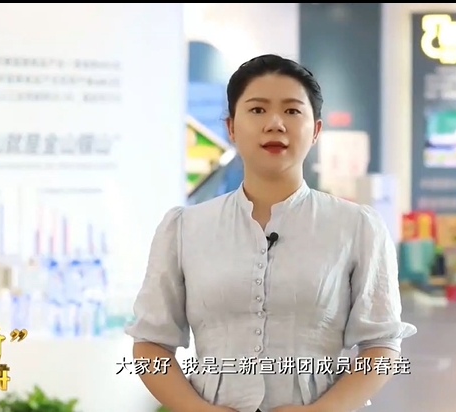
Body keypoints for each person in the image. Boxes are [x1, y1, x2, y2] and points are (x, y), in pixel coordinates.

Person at [126, 54, 417, 412]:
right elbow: (150, 344)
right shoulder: (185, 228)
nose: (275, 124)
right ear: (231, 127)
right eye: (257, 110)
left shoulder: (357, 227)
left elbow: (382, 345)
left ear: (316, 130)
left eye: (292, 111)